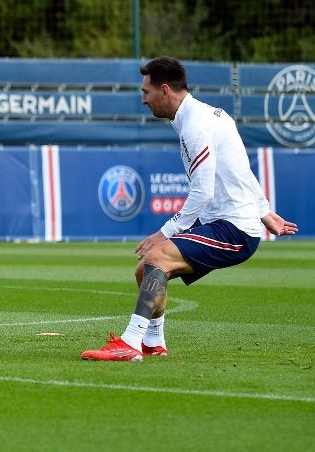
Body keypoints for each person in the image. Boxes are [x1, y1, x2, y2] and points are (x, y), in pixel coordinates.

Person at [82, 56, 298, 361]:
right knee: (146, 269)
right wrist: (263, 210)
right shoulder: (209, 115)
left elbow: (202, 191)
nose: (143, 100)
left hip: (234, 228)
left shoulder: (196, 124)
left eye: (146, 92)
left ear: (165, 90)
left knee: (157, 255)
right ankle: (153, 342)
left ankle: (129, 344)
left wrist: (164, 232)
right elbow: (239, 168)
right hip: (231, 221)